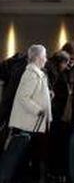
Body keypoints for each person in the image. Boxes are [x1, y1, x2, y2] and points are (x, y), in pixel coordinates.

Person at [8, 45, 52, 182]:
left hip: (33, 124)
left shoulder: (36, 73)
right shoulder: (31, 74)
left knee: (31, 158)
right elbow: (23, 97)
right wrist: (38, 110)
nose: (46, 59)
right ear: (38, 58)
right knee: (29, 158)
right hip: (30, 125)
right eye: (44, 56)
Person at [44, 51, 71, 181]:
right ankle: (52, 170)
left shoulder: (50, 69)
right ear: (62, 62)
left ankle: (50, 170)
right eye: (66, 64)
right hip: (55, 112)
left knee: (51, 142)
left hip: (53, 112)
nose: (66, 67)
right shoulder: (54, 72)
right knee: (54, 142)